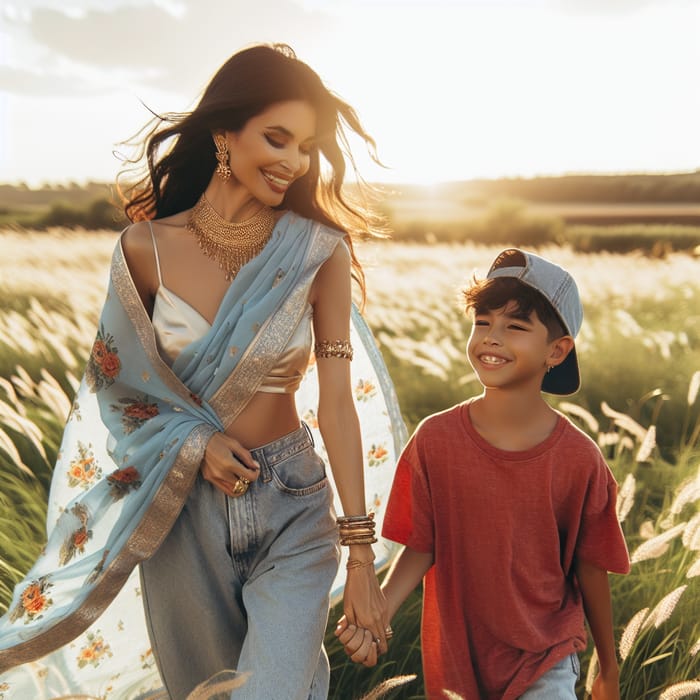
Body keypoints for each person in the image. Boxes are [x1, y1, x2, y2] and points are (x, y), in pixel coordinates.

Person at [0, 43, 405, 700]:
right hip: (179, 512)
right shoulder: (143, 251)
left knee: (271, 690)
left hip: (294, 503)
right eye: (277, 138)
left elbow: (335, 403)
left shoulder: (316, 251)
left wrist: (359, 550)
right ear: (224, 133)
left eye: (305, 147)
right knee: (209, 692)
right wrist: (196, 442)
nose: (294, 161)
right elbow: (119, 392)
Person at [336, 248, 631, 699]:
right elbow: (421, 545)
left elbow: (591, 568)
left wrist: (608, 667)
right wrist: (379, 615)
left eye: (515, 326)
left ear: (557, 350)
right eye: (482, 322)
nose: (491, 337)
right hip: (459, 663)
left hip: (545, 656)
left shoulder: (579, 458)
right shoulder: (435, 440)